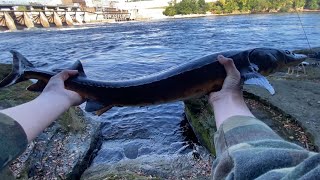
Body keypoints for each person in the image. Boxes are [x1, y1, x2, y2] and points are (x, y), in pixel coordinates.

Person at [0, 56, 319, 179]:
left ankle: (33, 75)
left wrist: (55, 98)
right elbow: (264, 168)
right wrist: (228, 98)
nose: (289, 60)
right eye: (283, 57)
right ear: (254, 62)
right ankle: (26, 71)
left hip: (71, 93)